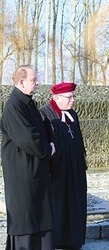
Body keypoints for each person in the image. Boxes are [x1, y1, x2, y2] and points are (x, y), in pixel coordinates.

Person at [0, 65, 56, 250]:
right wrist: (47, 149)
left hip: (34, 172)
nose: (38, 83)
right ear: (21, 82)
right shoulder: (14, 106)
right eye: (34, 80)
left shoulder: (27, 103)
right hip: (22, 175)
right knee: (26, 221)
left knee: (39, 219)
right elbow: (28, 138)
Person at [39, 82, 87, 249]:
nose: (72, 100)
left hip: (75, 169)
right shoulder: (45, 114)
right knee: (59, 204)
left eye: (73, 96)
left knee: (75, 203)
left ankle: (74, 239)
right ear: (56, 97)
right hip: (57, 170)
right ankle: (58, 239)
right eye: (69, 97)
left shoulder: (72, 114)